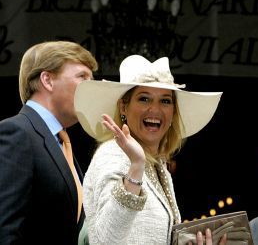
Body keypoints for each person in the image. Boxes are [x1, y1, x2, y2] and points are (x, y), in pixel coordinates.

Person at [75, 55, 225, 244]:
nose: (155, 109)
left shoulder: (159, 165)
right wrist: (136, 167)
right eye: (144, 98)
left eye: (165, 101)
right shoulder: (112, 154)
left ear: (173, 112)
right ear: (123, 107)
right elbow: (106, 239)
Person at [0, 40, 98, 244]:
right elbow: (5, 229)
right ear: (47, 80)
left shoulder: (61, 141)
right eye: (82, 77)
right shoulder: (16, 133)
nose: (92, 87)